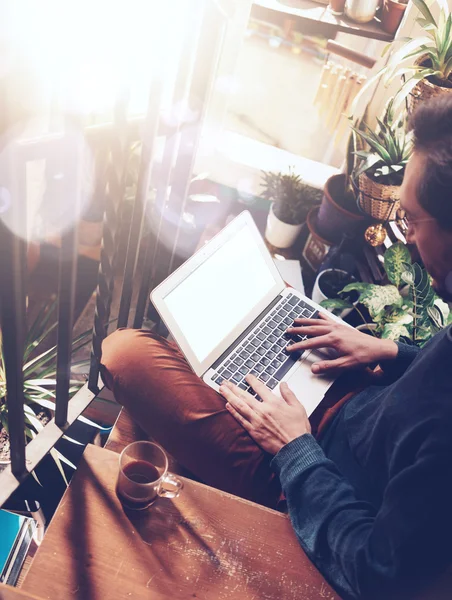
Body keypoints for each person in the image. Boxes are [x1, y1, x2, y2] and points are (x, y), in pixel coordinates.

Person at [101, 96, 452, 600]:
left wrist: (295, 450)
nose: (408, 236)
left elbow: (379, 574)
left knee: (125, 352)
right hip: (351, 393)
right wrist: (388, 352)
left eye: (413, 221)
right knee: (212, 336)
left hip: (310, 473)